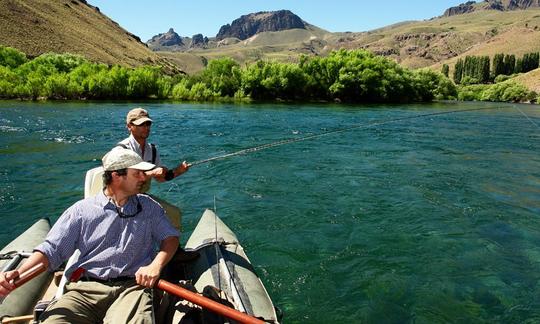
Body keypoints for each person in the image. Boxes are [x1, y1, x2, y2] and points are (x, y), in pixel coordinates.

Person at [0, 148, 179, 323]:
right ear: (117, 175)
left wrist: (155, 265)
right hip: (84, 290)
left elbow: (170, 239)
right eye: (137, 173)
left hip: (131, 288)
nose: (143, 177)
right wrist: (18, 273)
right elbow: (51, 251)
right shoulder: (81, 211)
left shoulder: (149, 207)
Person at [118, 107, 190, 188]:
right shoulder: (122, 150)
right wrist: (153, 172)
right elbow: (120, 179)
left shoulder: (152, 150)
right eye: (141, 124)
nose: (146, 128)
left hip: (140, 196)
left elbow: (160, 178)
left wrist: (178, 171)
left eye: (148, 124)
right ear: (129, 126)